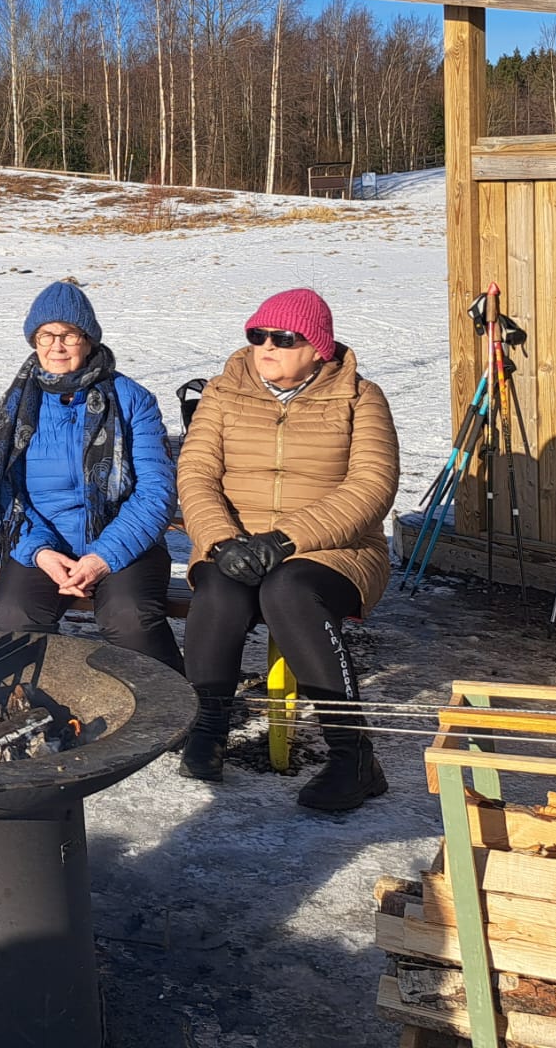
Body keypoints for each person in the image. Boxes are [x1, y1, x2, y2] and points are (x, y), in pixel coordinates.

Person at [175, 287, 400, 811]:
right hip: (235, 541)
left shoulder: (361, 398)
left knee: (290, 589)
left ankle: (352, 756)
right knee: (219, 589)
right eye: (257, 336)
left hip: (333, 550)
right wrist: (220, 541)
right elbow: (196, 473)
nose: (266, 346)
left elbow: (372, 486)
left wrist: (286, 540)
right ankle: (207, 730)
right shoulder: (221, 393)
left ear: (318, 348)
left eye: (283, 338)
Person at [0, 281, 183, 670]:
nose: (56, 346)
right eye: (45, 335)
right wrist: (39, 551)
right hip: (45, 541)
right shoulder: (16, 403)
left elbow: (156, 491)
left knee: (128, 618)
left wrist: (103, 556)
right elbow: (3, 490)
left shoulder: (131, 398)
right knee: (13, 615)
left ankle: (174, 711)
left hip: (122, 537)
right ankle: (29, 706)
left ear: (87, 339)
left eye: (68, 334)